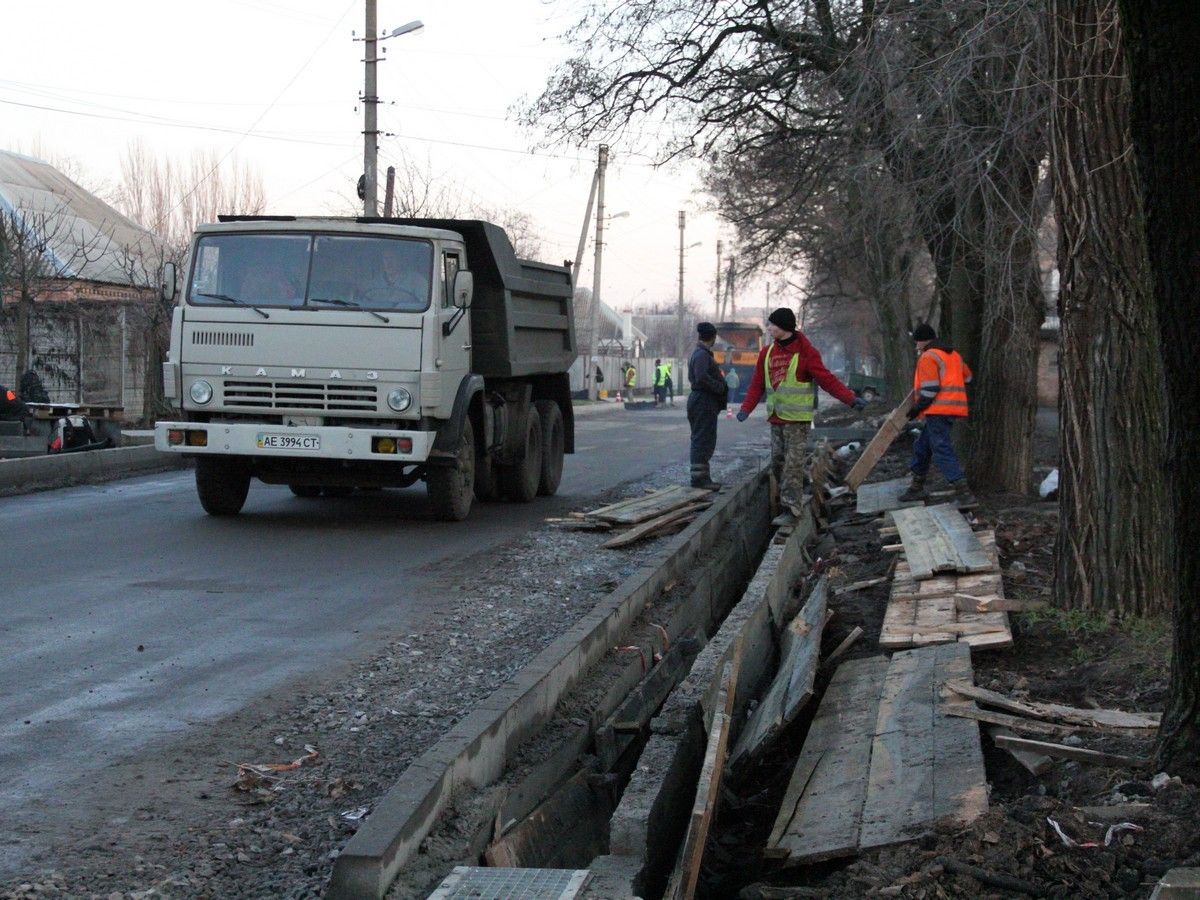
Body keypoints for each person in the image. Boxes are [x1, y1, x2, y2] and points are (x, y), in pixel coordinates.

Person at [736, 307, 867, 526]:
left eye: (772, 324)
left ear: (784, 327)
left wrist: (850, 399)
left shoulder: (805, 353)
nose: (768, 328)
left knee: (792, 465)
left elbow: (827, 379)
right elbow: (757, 384)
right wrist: (745, 409)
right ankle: (791, 494)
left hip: (797, 421)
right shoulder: (767, 353)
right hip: (776, 419)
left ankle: (792, 509)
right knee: (778, 463)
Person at [898, 323, 976, 506]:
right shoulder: (953, 355)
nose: (916, 346)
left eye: (917, 342)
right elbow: (969, 378)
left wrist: (917, 409)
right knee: (923, 446)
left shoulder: (928, 356)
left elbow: (930, 389)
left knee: (941, 449)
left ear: (923, 341)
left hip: (937, 409)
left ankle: (963, 492)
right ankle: (916, 488)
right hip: (952, 409)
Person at [688, 322, 728, 489]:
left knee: (704, 438)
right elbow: (702, 377)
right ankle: (699, 480)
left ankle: (702, 478)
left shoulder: (701, 354)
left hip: (704, 401)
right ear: (712, 338)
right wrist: (719, 387)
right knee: (703, 439)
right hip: (703, 401)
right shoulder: (702, 355)